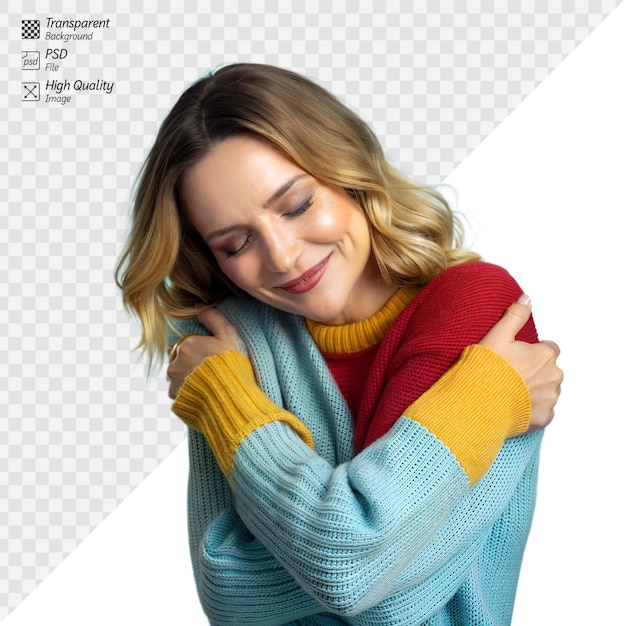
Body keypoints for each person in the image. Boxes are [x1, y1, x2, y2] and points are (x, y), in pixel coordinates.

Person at [115, 63, 562, 625]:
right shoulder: (228, 350)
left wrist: (487, 394)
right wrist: (224, 393)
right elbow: (224, 593)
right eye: (235, 244)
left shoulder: (475, 309)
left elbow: (364, 583)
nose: (281, 257)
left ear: (348, 170)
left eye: (297, 205)